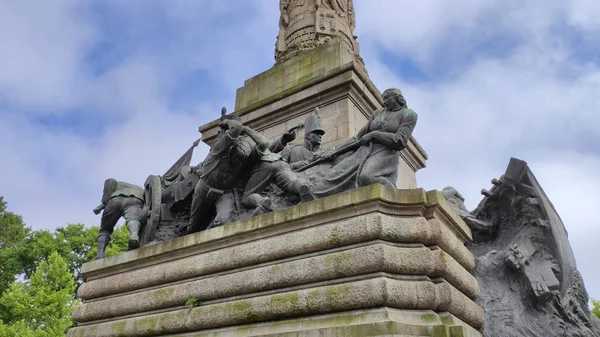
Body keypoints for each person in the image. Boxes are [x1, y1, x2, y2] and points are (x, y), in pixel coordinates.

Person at [312, 88, 417, 198]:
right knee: (337, 172)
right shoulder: (378, 113)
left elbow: (400, 140)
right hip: (364, 151)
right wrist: (336, 151)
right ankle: (313, 194)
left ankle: (396, 195)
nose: (384, 102)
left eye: (386, 98)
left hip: (385, 153)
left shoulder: (409, 114)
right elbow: (358, 137)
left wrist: (374, 135)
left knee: (367, 176)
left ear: (396, 97)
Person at [93, 178, 146, 259]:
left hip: (115, 200)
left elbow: (110, 183)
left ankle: (100, 254)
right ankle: (134, 234)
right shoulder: (140, 189)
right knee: (133, 219)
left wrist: (100, 206)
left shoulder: (116, 183)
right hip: (136, 199)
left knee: (105, 230)